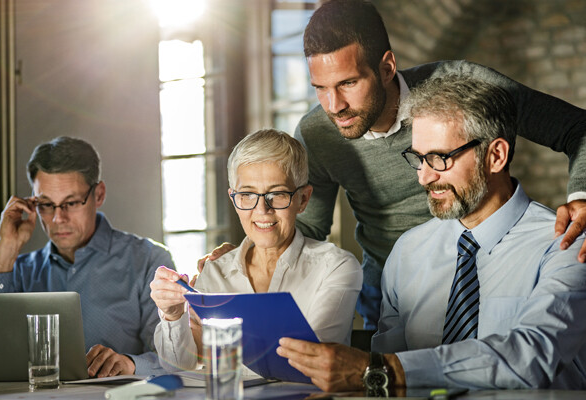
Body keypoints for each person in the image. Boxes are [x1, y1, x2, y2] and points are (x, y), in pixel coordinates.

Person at [205, 0, 586, 330]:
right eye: (320, 87)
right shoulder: (317, 133)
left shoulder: (462, 89)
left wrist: (582, 196)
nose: (334, 105)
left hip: (485, 270)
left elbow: (577, 129)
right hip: (390, 291)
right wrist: (251, 248)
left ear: (387, 66)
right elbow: (306, 227)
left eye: (349, 82)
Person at [276, 76, 586, 391]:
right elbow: (389, 378)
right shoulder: (408, 252)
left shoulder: (567, 244)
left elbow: (531, 355)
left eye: (439, 158)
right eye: (419, 159)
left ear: (496, 156)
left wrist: (384, 369)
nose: (424, 178)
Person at [151, 129, 362, 374]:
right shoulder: (216, 270)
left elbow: (312, 362)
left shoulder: (335, 267)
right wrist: (174, 316)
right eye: (248, 195)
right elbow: (180, 366)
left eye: (278, 194)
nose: (262, 210)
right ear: (233, 199)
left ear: (303, 199)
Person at [0, 136, 175, 377]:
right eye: (46, 205)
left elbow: (174, 358)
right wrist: (6, 247)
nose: (58, 218)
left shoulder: (148, 261)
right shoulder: (16, 271)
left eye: (71, 203)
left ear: (98, 194)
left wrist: (130, 364)